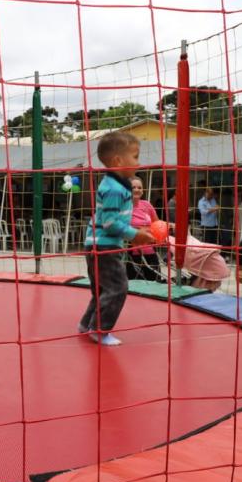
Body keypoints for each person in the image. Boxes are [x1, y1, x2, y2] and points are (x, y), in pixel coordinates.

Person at [79, 132, 155, 346]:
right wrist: (135, 235)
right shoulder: (114, 189)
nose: (139, 163)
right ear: (118, 161)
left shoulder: (115, 185)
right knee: (118, 288)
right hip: (104, 247)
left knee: (101, 290)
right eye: (136, 156)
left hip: (97, 244)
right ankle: (100, 330)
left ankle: (87, 324)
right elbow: (110, 222)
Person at [126, 176, 163, 281]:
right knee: (135, 286)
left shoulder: (147, 205)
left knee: (156, 284)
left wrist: (169, 225)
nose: (137, 190)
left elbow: (157, 224)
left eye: (139, 187)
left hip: (150, 251)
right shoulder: (123, 208)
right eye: (133, 187)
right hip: (132, 254)